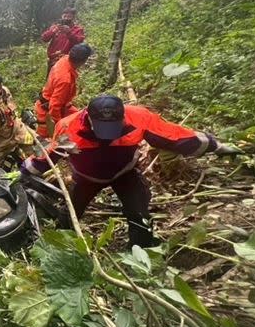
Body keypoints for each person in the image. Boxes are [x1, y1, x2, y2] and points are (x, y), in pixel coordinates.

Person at [22, 94, 242, 248]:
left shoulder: (138, 117)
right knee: (71, 212)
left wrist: (216, 146)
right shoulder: (68, 127)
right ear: (88, 117)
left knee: (139, 212)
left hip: (124, 173)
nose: (108, 135)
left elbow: (174, 136)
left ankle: (141, 251)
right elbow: (49, 156)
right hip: (87, 179)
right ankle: (59, 244)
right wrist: (26, 171)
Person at [35, 43, 93, 138]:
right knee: (48, 141)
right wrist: (60, 126)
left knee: (81, 118)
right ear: (83, 61)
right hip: (47, 112)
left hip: (61, 105)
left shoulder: (65, 59)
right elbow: (54, 107)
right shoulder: (65, 80)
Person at [41, 7, 85, 72]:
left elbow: (79, 43)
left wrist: (69, 32)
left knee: (63, 80)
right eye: (65, 16)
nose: (66, 18)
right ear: (62, 16)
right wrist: (53, 31)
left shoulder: (78, 29)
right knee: (51, 81)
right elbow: (44, 38)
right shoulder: (55, 27)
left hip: (67, 61)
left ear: (73, 17)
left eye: (69, 16)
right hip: (53, 60)